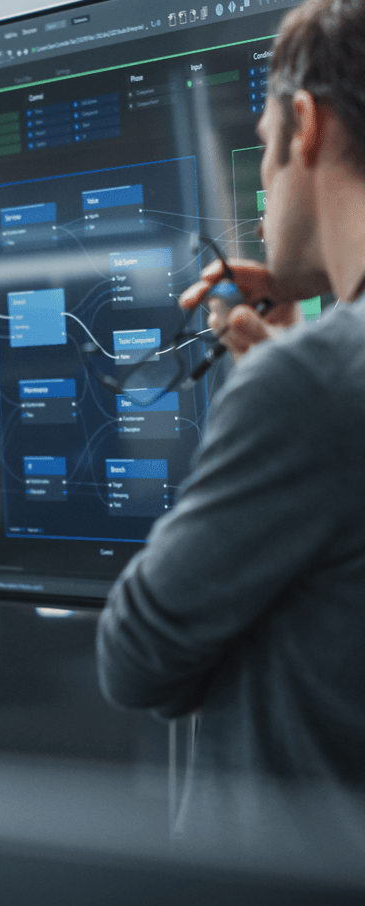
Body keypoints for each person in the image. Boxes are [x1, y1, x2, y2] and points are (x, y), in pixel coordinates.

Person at [96, 0, 365, 842]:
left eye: (261, 144)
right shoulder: (317, 378)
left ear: (306, 124)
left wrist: (284, 378)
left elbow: (136, 662)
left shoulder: (315, 383)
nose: (260, 182)